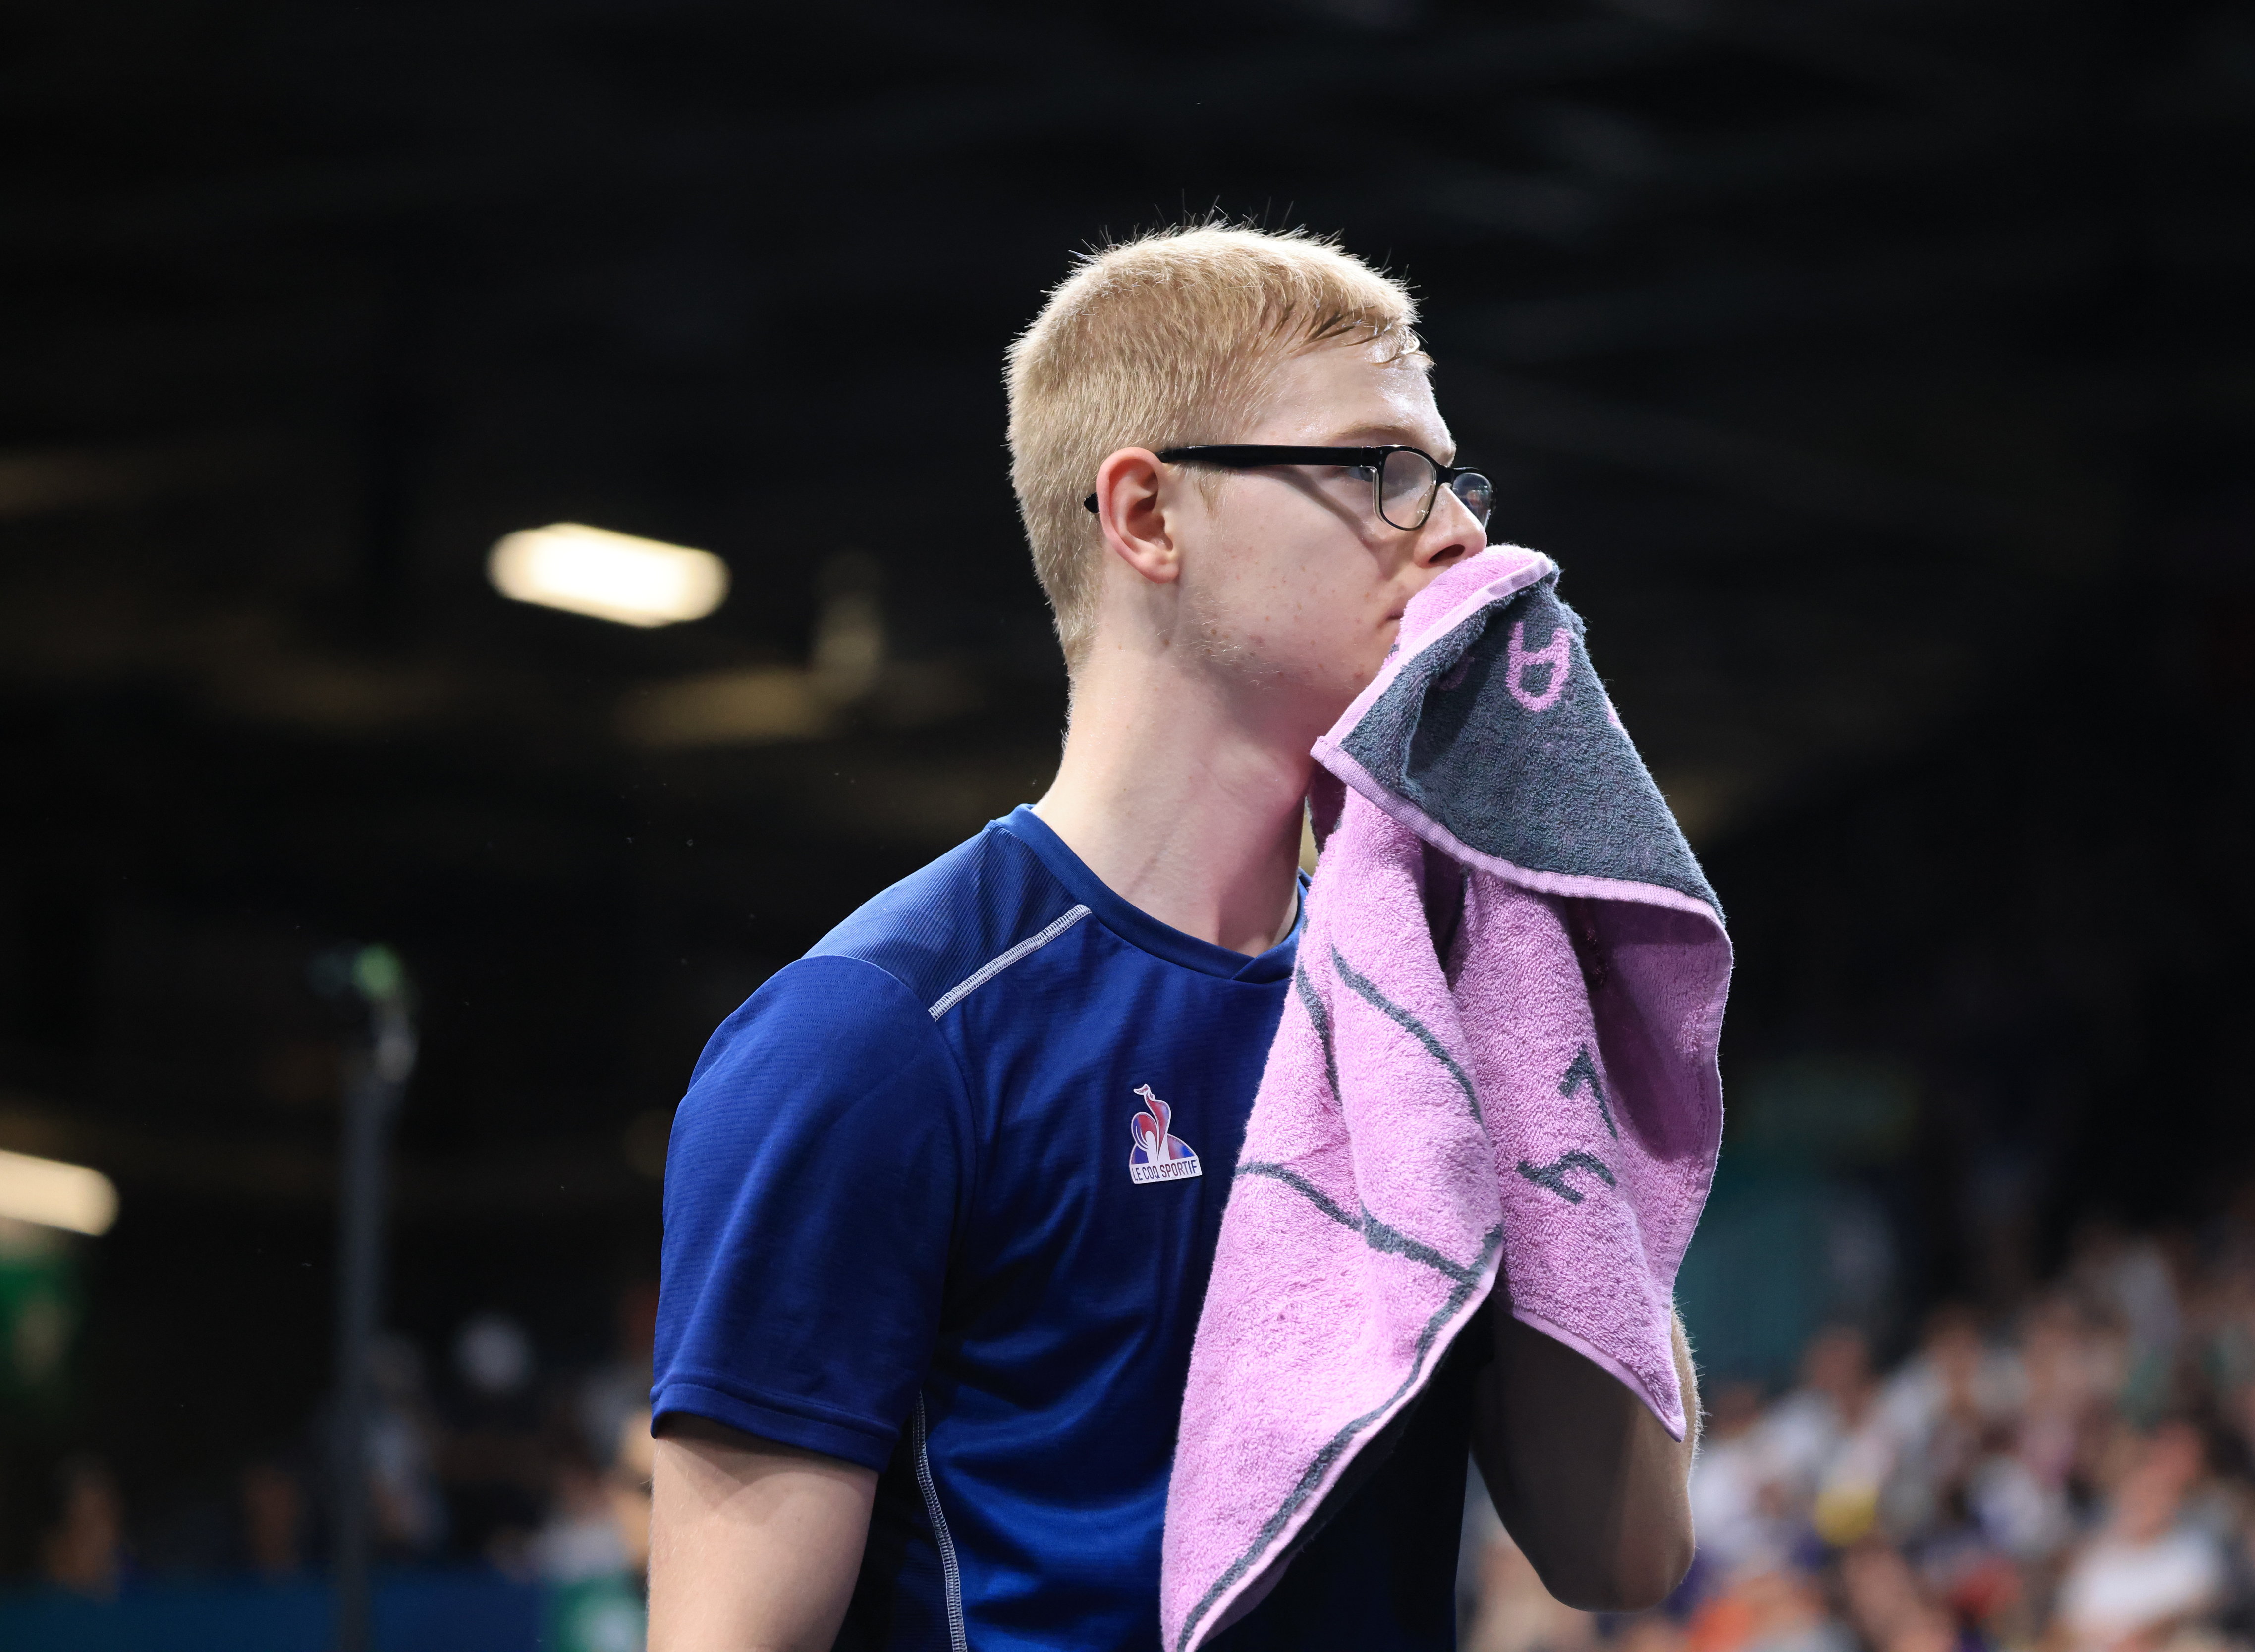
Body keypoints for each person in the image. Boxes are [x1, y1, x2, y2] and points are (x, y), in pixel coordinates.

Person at [646, 223, 1700, 1652]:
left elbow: (1620, 1548)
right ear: (1147, 519)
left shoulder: (1422, 1026)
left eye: (1458, 482)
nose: (1460, 537)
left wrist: (1537, 987)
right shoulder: (874, 1039)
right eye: (1380, 470)